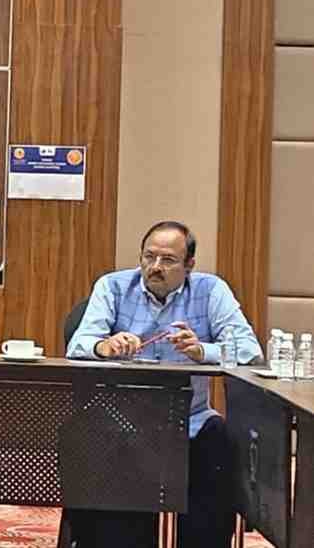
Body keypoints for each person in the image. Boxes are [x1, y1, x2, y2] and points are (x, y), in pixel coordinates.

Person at [66, 220, 262, 548]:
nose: (155, 267)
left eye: (168, 260)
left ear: (189, 265)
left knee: (220, 442)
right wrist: (104, 345)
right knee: (81, 433)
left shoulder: (211, 290)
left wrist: (203, 351)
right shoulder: (113, 286)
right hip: (121, 423)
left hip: (190, 422)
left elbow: (249, 351)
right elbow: (78, 344)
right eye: (149, 257)